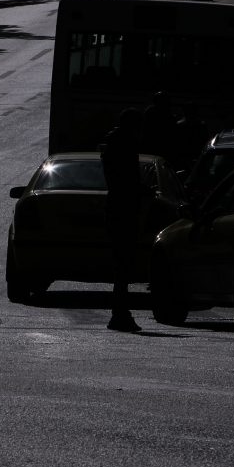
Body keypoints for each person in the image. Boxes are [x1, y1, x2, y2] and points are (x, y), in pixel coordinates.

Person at [100, 109, 148, 332]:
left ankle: (120, 311)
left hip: (119, 205)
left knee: (122, 264)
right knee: (123, 263)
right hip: (123, 207)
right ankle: (119, 312)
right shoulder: (124, 145)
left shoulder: (115, 144)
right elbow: (126, 179)